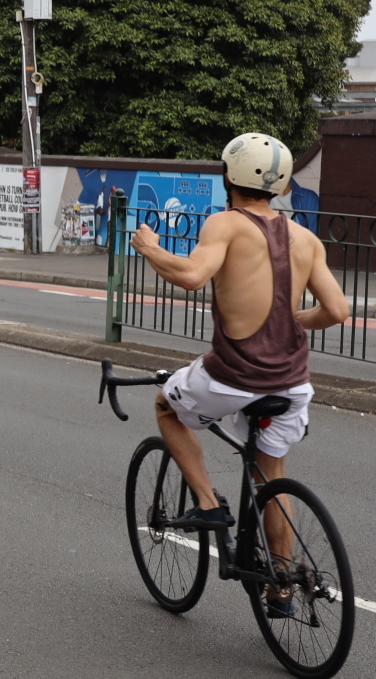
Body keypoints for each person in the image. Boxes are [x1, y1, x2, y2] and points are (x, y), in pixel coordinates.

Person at [132, 134, 349, 612]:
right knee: (270, 475)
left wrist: (149, 247)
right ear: (283, 183)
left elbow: (191, 276)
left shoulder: (225, 224)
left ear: (227, 177)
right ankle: (281, 585)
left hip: (233, 375)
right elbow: (336, 309)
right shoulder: (306, 238)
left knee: (167, 405)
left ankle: (209, 503)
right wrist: (296, 320)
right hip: (292, 384)